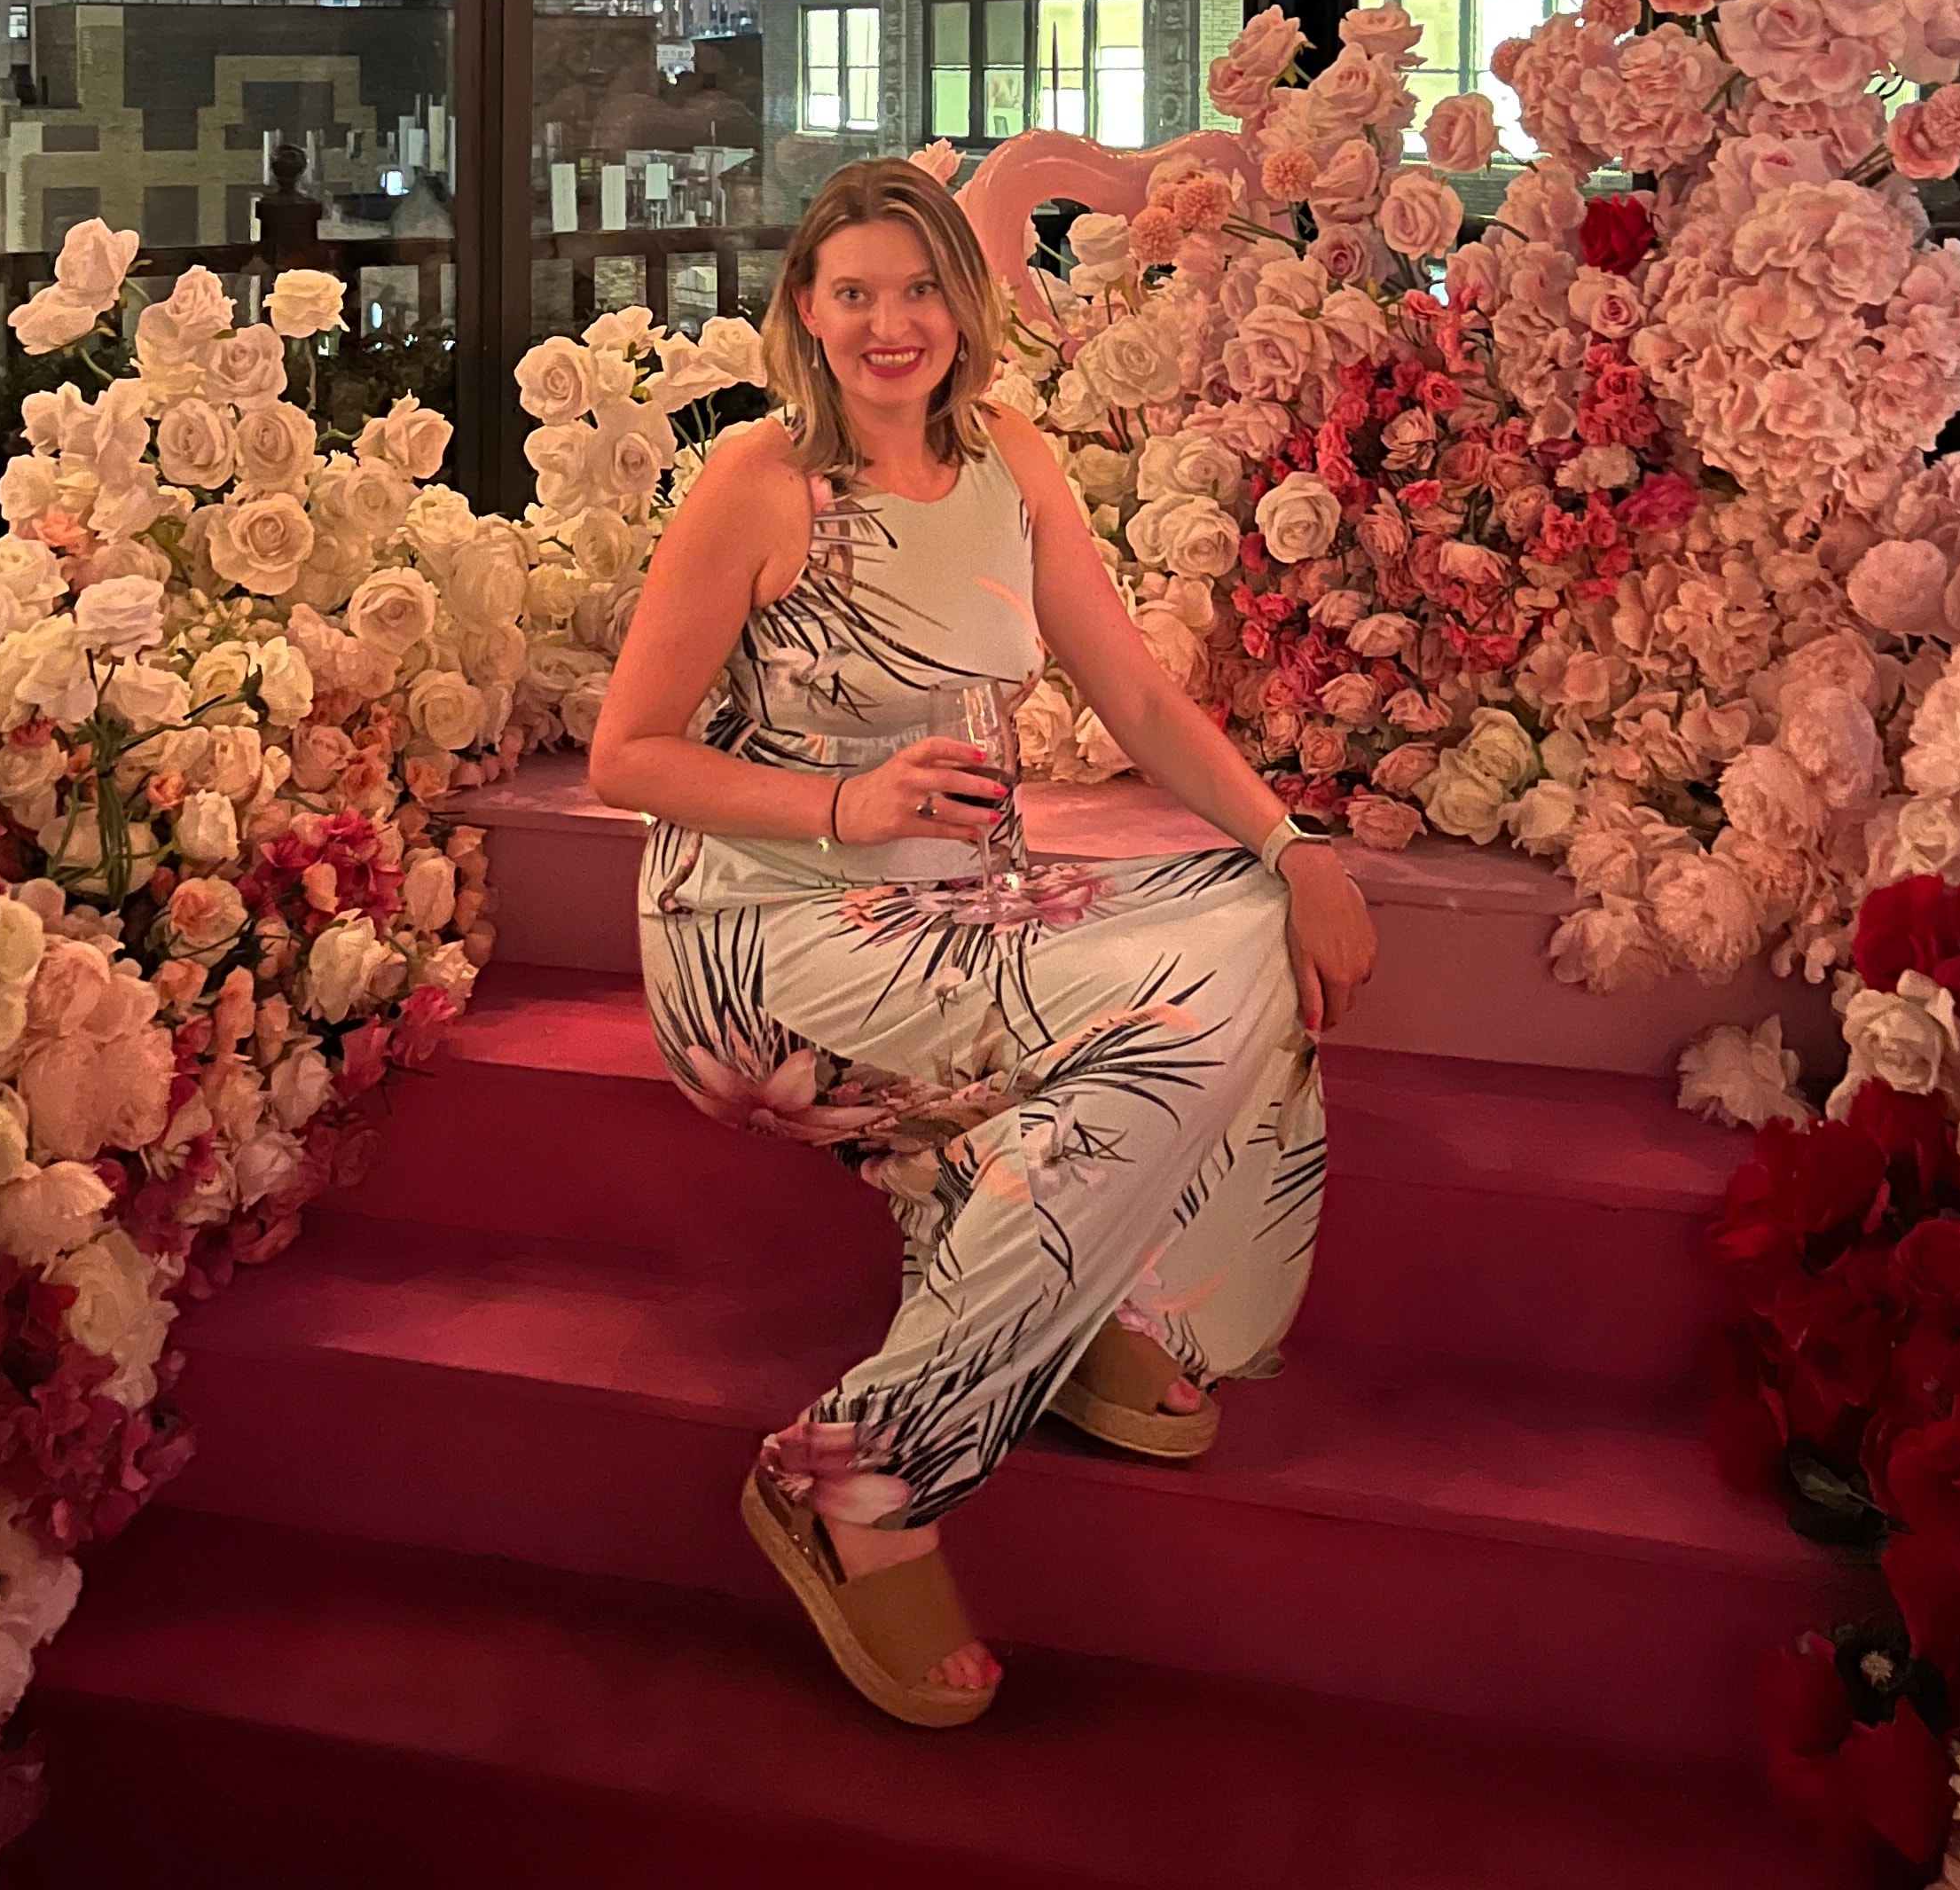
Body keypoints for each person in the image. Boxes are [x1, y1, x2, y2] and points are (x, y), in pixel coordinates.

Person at [589, 156, 1377, 1730]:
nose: (892, 324)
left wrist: (1294, 848)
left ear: (965, 298)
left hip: (961, 909)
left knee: (1240, 927)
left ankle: (1065, 1300)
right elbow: (629, 757)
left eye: (919, 287)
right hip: (765, 928)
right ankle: (867, 1477)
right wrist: (843, 801)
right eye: (854, 293)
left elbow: (1140, 699)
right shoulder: (759, 481)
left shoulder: (1011, 459)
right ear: (805, 315)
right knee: (1180, 1006)